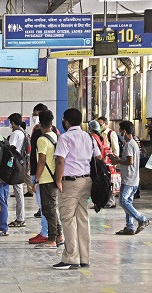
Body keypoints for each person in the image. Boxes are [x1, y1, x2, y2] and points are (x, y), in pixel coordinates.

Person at [53, 108, 101, 270]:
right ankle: (84, 257)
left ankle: (71, 258)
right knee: (82, 218)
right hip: (86, 181)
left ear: (66, 121)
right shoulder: (89, 137)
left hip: (70, 183)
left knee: (67, 219)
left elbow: (60, 160)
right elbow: (99, 157)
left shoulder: (65, 138)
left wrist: (58, 181)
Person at [108, 121, 150, 235]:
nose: (119, 133)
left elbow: (129, 161)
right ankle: (130, 226)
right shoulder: (133, 143)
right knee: (128, 202)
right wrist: (119, 159)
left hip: (129, 179)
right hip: (133, 178)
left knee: (123, 201)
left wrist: (117, 161)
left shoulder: (129, 144)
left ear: (124, 131)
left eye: (120, 130)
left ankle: (142, 219)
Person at [31, 110, 63, 249]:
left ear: (39, 124)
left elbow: (41, 161)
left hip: (46, 179)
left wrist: (36, 180)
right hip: (54, 177)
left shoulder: (42, 139)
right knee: (51, 208)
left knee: (48, 209)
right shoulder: (56, 136)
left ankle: (52, 239)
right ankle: (59, 235)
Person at [27, 103, 53, 244]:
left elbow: (41, 159)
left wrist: (36, 179)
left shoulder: (41, 134)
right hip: (45, 173)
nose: (34, 117)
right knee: (46, 205)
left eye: (36, 115)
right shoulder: (52, 132)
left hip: (40, 172)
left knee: (44, 205)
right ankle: (51, 232)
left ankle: (46, 232)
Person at [7, 113, 27, 228]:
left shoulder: (15, 133)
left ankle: (20, 218)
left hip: (16, 164)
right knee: (18, 191)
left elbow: (11, 149)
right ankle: (20, 218)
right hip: (22, 163)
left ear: (13, 123)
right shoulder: (23, 132)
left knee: (18, 191)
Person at [98, 116, 119, 208]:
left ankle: (111, 201)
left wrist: (115, 162)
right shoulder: (100, 133)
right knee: (103, 182)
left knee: (110, 182)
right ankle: (104, 200)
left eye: (100, 124)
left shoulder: (111, 133)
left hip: (110, 162)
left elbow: (115, 149)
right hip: (102, 161)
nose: (99, 126)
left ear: (106, 124)